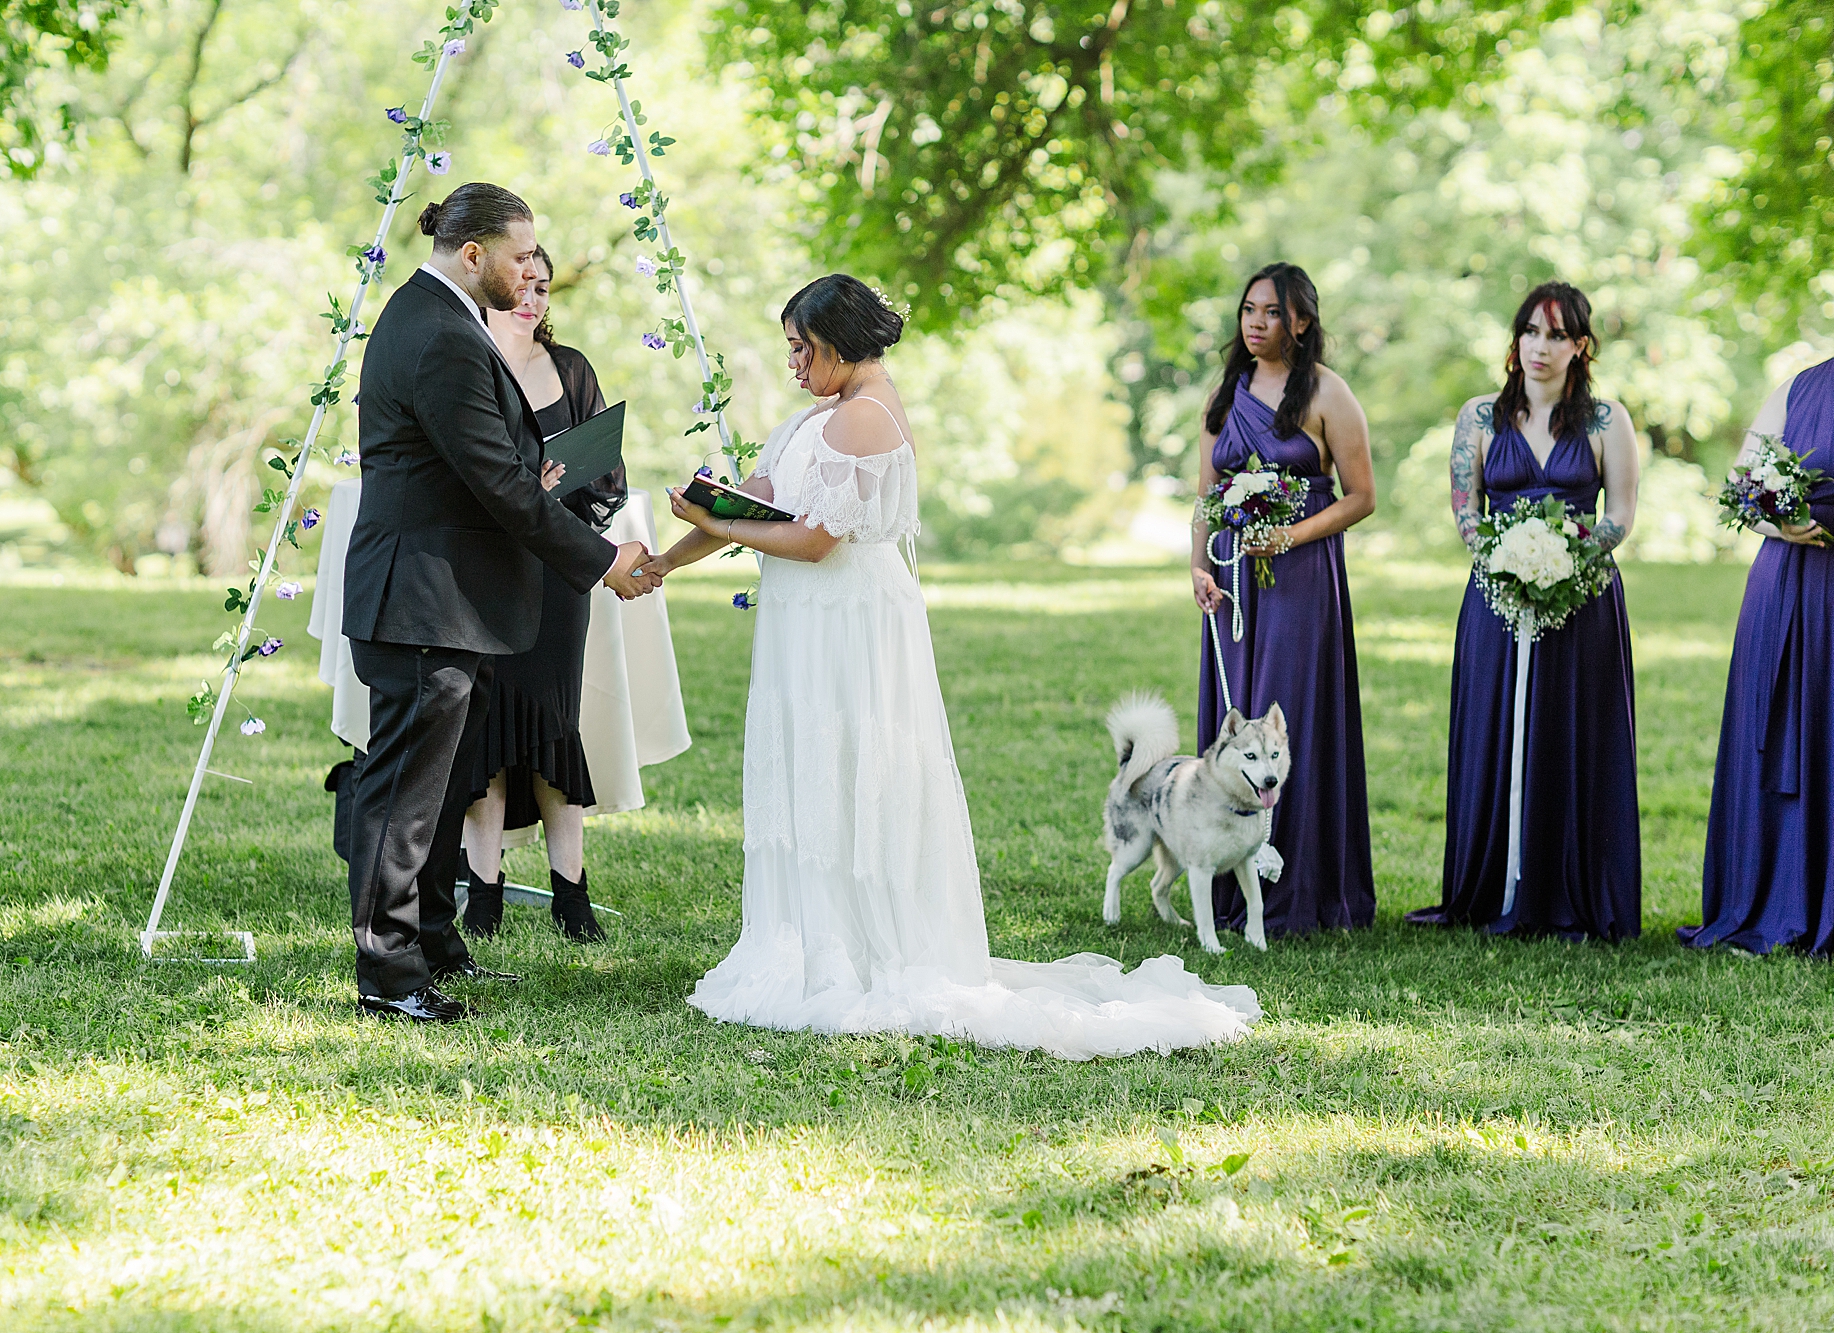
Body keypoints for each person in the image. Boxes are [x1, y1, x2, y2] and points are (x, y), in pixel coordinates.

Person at [640, 274, 1261, 1058]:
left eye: (802, 349)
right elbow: (755, 499)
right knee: (811, 764)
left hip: (849, 625)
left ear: (840, 343)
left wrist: (707, 517)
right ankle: (809, 930)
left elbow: (815, 538)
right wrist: (671, 554)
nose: (793, 364)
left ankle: (862, 947)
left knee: (854, 764)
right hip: (807, 625)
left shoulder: (865, 418)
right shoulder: (821, 415)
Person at [342, 182, 657, 1024]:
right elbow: (495, 485)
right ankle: (388, 976)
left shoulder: (435, 319)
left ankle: (438, 946)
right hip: (423, 600)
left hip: (453, 601)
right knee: (405, 798)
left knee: (440, 792)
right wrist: (603, 560)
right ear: (473, 253)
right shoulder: (440, 332)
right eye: (522, 256)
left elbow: (487, 467)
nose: (531, 273)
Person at [1404, 282, 1642, 941]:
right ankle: (1488, 886)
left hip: (1583, 599)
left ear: (1580, 346)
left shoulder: (1605, 421)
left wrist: (1565, 558)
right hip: (1496, 597)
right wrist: (1505, 560)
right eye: (1531, 332)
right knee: (1494, 728)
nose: (1542, 346)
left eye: (1557, 334)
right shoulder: (1478, 417)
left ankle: (1571, 888)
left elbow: (1619, 515)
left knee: (1573, 732)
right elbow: (1464, 508)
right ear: (1515, 342)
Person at [1190, 262, 1376, 941]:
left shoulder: (1328, 393)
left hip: (1301, 580)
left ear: (1301, 320)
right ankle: (1227, 878)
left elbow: (1362, 495)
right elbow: (1207, 494)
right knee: (1236, 715)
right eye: (1248, 310)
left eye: (1271, 311)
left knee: (1286, 710)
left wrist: (1289, 535)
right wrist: (1197, 566)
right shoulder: (1226, 395)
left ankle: (1300, 880)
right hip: (1234, 576)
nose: (1256, 322)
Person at [459, 246, 627, 943]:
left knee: (556, 725)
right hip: (486, 572)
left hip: (557, 574)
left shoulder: (572, 369)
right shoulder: (468, 363)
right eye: (523, 285)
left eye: (544, 289)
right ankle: (485, 892)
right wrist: (526, 490)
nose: (532, 299)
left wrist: (565, 491)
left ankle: (572, 893)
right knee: (487, 731)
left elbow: (608, 478)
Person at [1681, 355, 1834, 954]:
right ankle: (1777, 898)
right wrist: (1781, 521)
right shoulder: (1798, 388)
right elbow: (1743, 485)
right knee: (1781, 736)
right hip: (1788, 584)